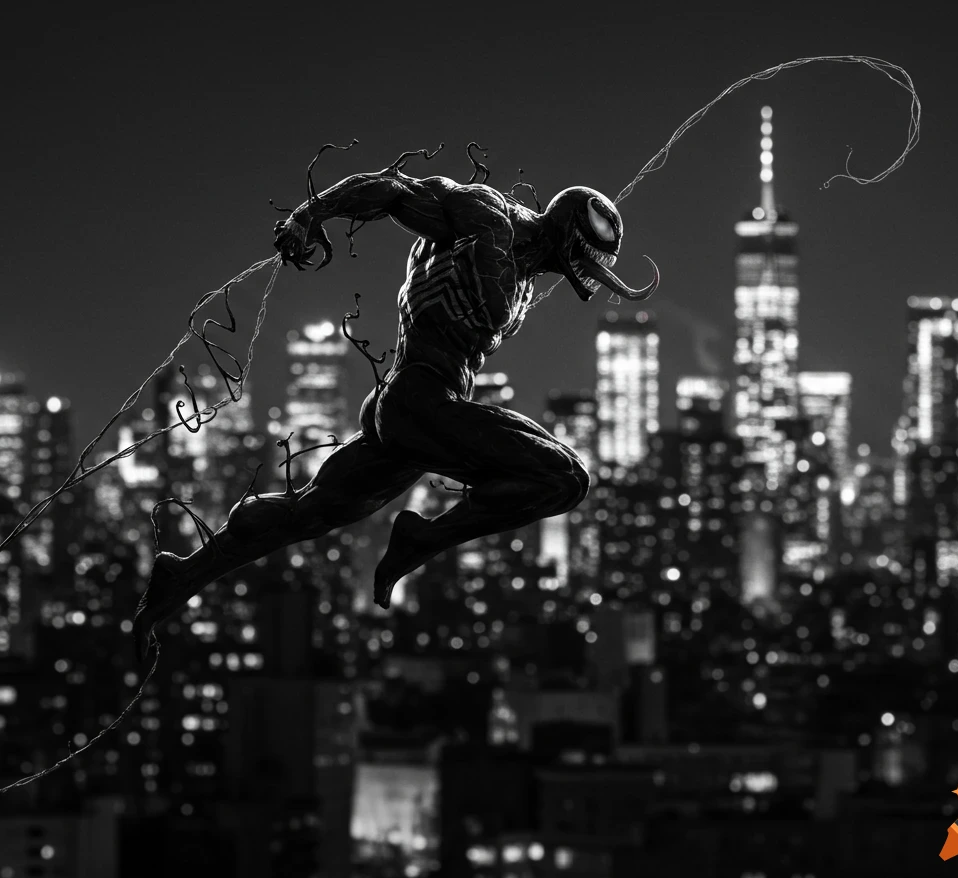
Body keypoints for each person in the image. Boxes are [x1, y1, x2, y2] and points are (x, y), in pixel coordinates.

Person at [131, 166, 659, 661]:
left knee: (310, 514)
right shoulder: (486, 217)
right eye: (576, 263)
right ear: (566, 240)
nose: (567, 276)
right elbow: (393, 190)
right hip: (417, 399)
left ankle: (180, 577)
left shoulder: (523, 269)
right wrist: (308, 215)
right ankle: (421, 540)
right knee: (565, 478)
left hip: (419, 407)